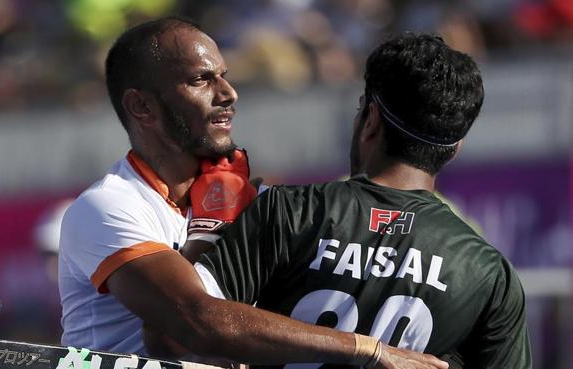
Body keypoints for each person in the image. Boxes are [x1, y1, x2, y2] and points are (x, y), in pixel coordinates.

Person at [58, 16, 447, 369]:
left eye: (224, 76)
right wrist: (369, 350)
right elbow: (189, 325)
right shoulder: (107, 206)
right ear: (141, 106)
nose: (228, 93)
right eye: (200, 80)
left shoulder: (254, 203)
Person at [186, 33, 532, 369]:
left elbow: (187, 325)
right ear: (455, 149)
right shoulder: (489, 272)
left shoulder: (288, 211)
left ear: (370, 120)